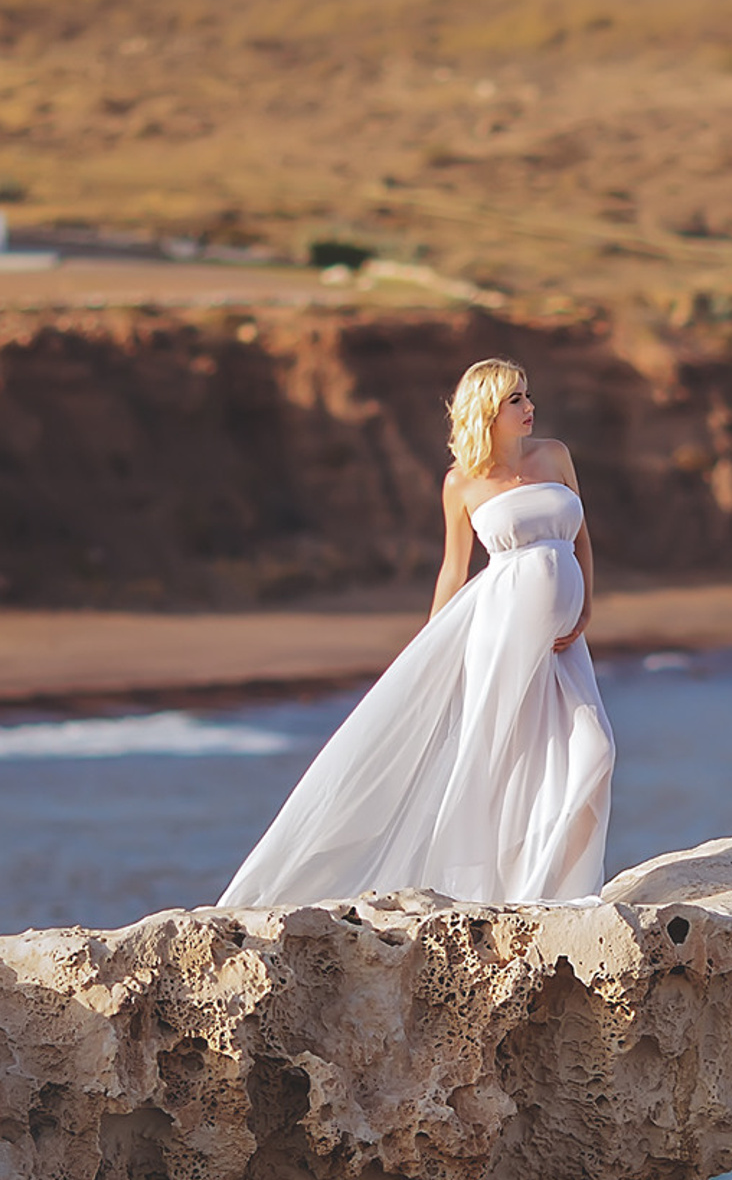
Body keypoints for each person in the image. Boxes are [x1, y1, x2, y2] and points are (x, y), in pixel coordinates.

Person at [219, 358, 616, 907]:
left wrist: (587, 606)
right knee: (500, 764)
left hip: (564, 641)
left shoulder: (555, 455)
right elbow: (454, 570)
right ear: (488, 412)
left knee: (594, 750)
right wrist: (432, 651)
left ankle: (564, 887)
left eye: (527, 397)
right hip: (500, 635)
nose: (530, 408)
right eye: (516, 400)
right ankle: (512, 895)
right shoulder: (462, 483)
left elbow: (582, 539)